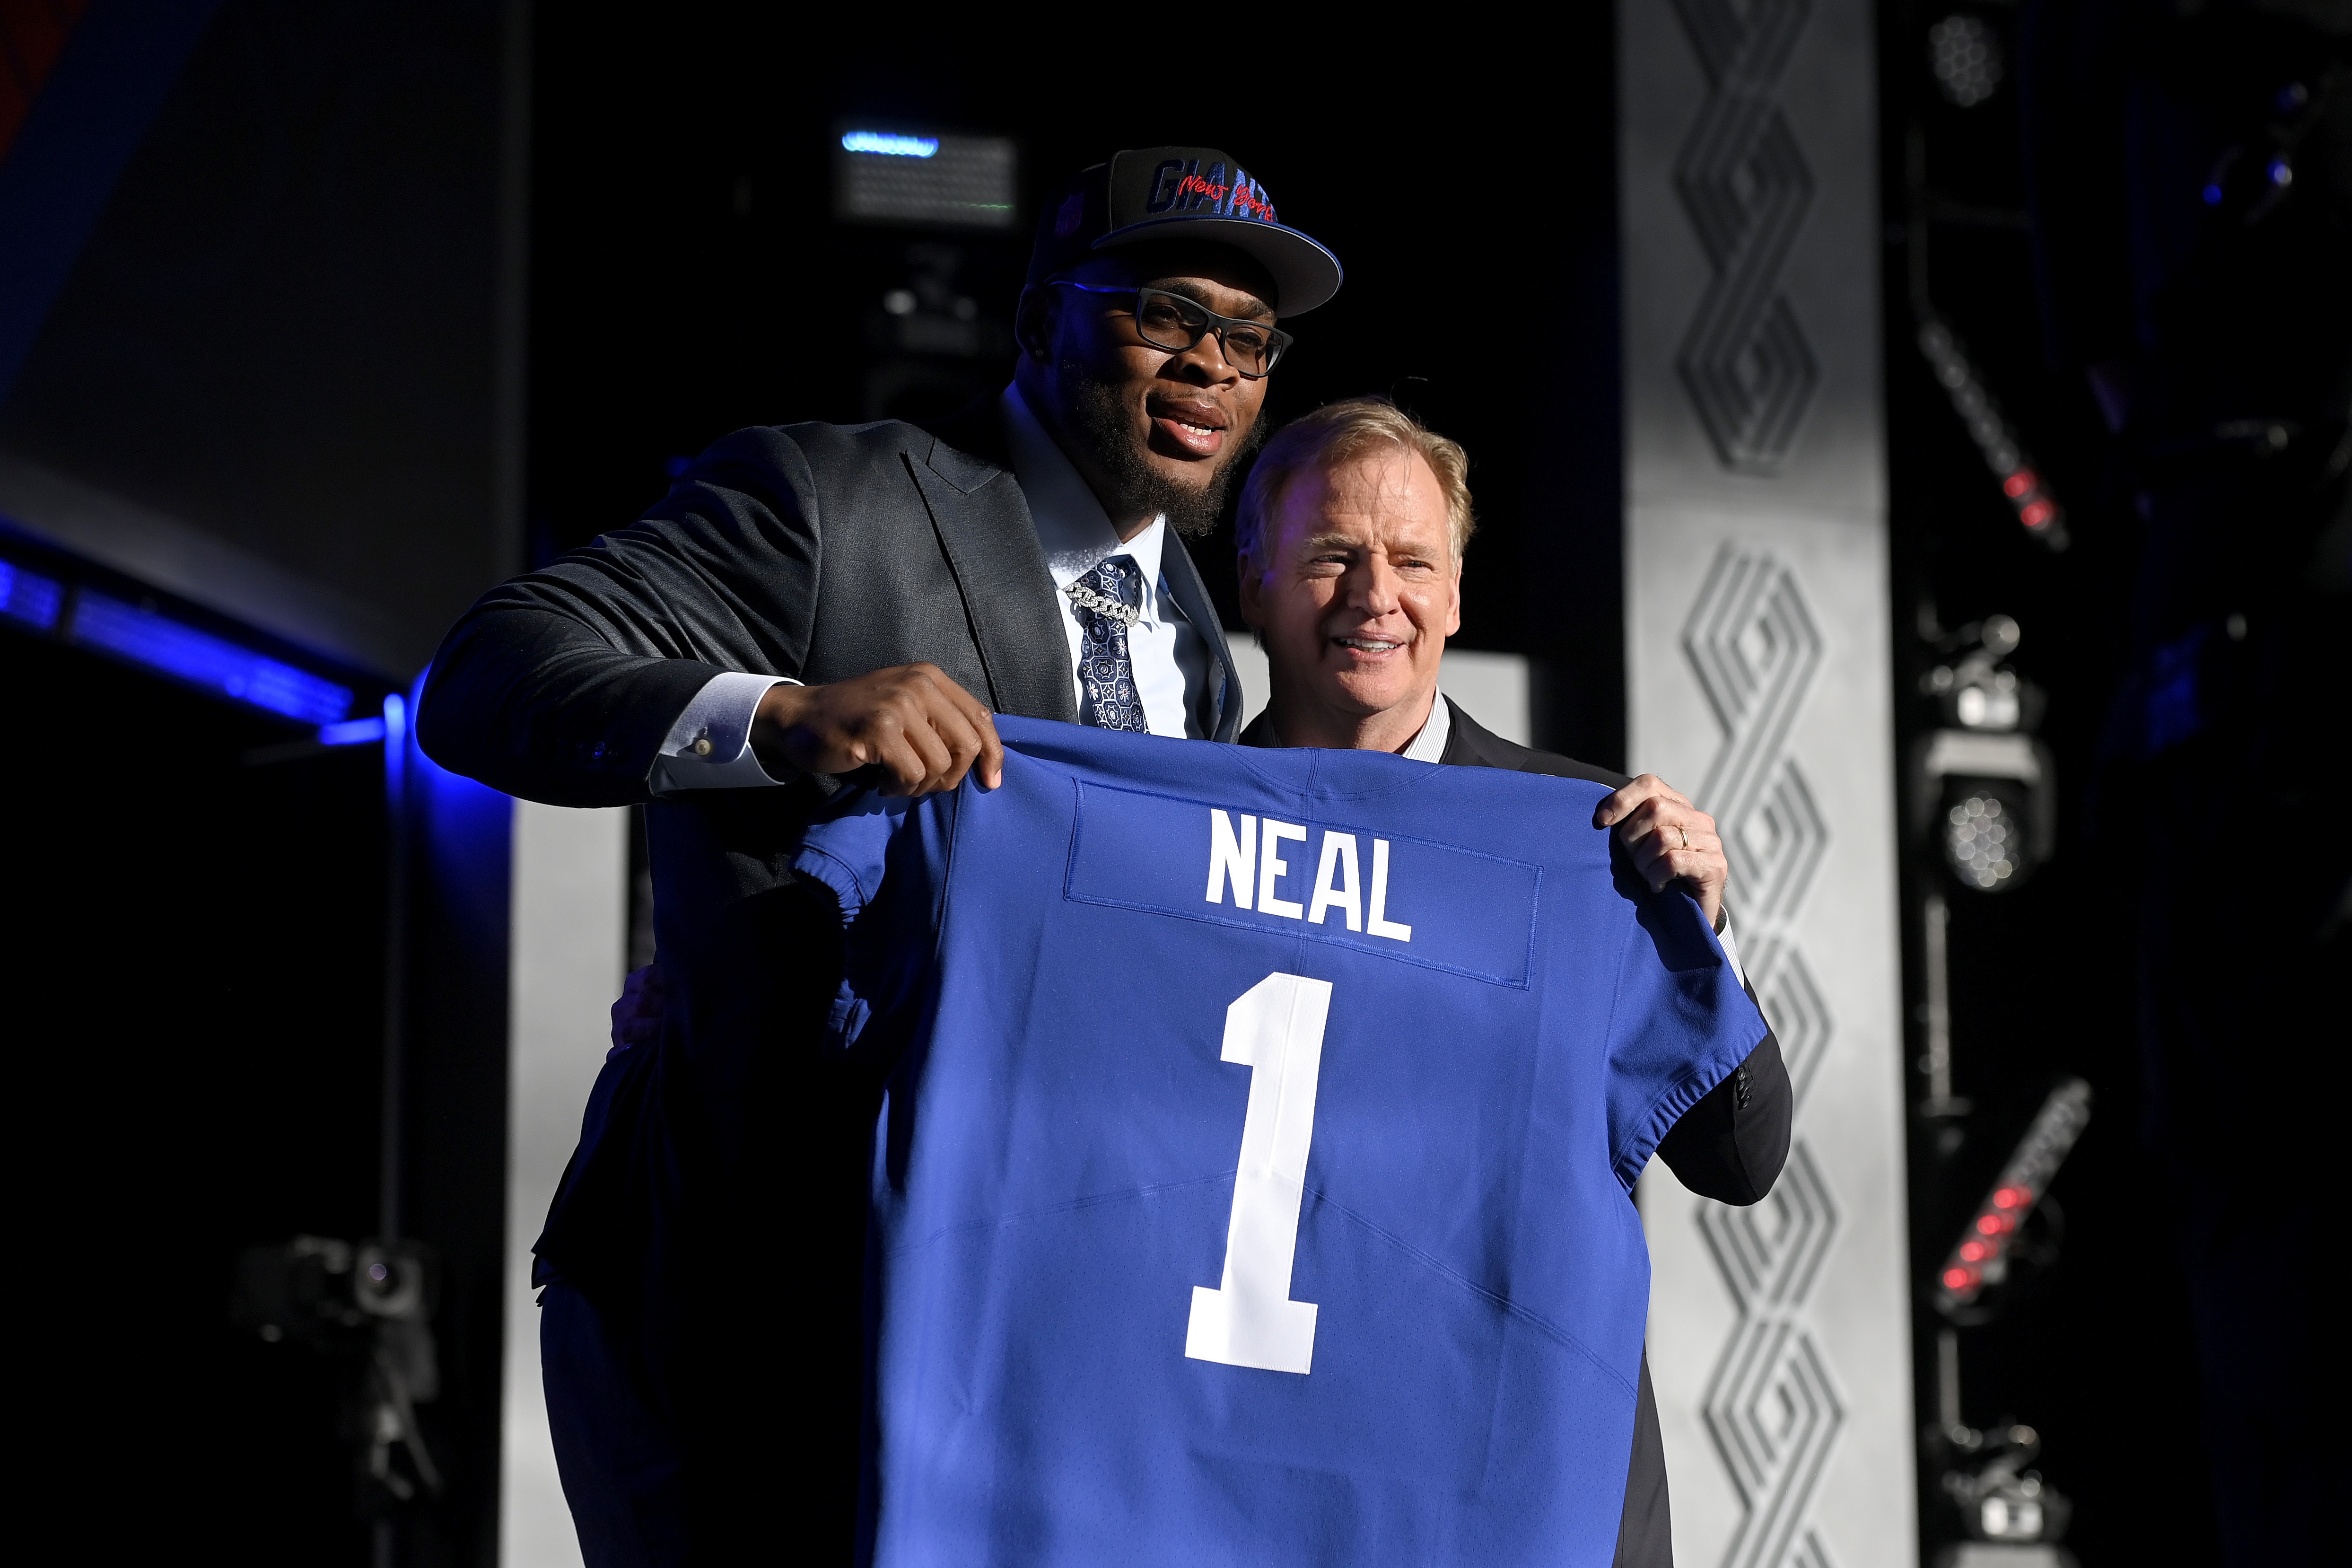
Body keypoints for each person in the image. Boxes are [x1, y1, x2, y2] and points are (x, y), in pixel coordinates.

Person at [426, 146, 1741, 1563]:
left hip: (1024, 1370)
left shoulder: (1193, 640)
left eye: (1246, 339)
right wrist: (789, 719)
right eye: (1162, 313)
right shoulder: (831, 500)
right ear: (1042, 314)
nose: (1209, 367)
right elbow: (488, 674)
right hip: (767, 1312)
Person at [605, 394, 1787, 1566]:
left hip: (1490, 1491)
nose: (1378, 596)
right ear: (1252, 584)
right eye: (1333, 556)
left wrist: (1700, 926)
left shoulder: (1584, 841)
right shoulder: (1135, 824)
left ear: (1457, 592)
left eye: (1413, 560)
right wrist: (711, 995)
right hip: (1195, 1490)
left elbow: (1743, 1159)